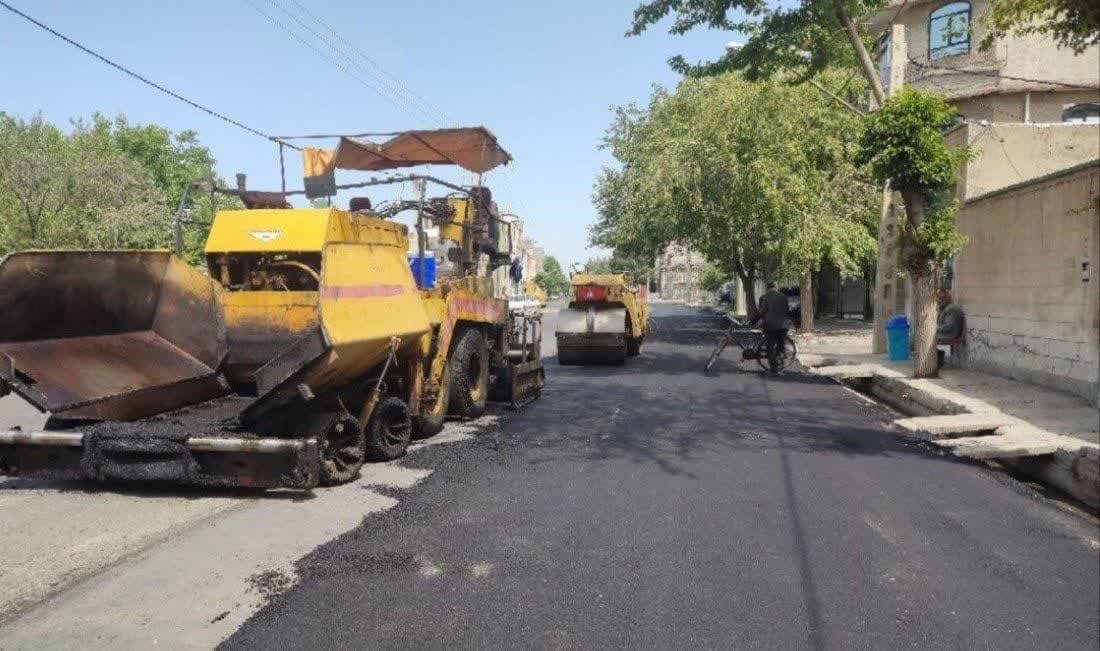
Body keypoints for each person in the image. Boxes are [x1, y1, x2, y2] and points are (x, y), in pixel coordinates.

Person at [750, 281, 790, 372]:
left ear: (768, 288)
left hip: (770, 326)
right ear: (776, 287)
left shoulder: (764, 297)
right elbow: (787, 310)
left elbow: (761, 312)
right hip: (783, 325)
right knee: (781, 345)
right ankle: (780, 364)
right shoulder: (783, 297)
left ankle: (774, 368)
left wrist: (753, 321)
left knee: (770, 347)